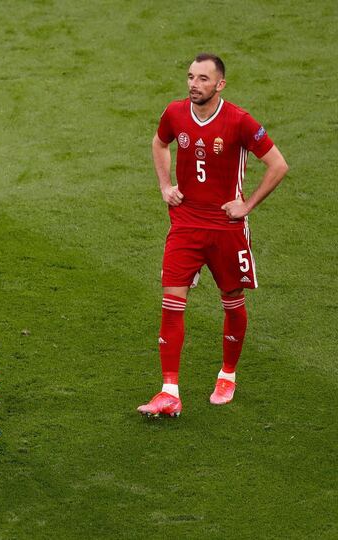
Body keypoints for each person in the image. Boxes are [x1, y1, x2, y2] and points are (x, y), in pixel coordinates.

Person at [138, 53, 288, 417]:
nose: (194, 84)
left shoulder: (239, 121)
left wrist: (247, 205)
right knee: (171, 301)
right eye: (190, 76)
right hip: (186, 223)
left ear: (220, 84)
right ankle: (169, 391)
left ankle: (228, 374)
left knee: (231, 300)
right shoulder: (174, 113)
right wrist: (164, 185)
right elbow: (159, 143)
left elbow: (278, 165)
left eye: (203, 79)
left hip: (226, 227)